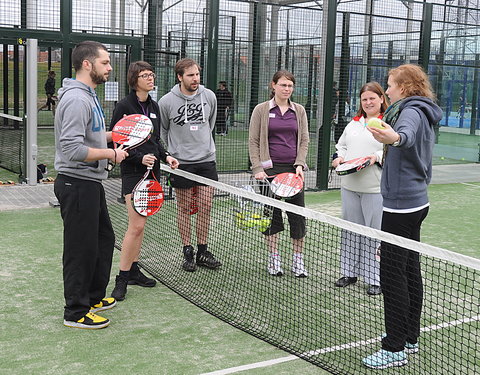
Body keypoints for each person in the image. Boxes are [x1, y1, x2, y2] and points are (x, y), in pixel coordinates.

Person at [362, 64, 442, 369]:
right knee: (409, 270)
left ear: (405, 87)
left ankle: (394, 347)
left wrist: (391, 138)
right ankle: (409, 336)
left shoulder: (409, 111)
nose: (388, 90)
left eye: (391, 85)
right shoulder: (423, 110)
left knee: (391, 276)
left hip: (400, 207)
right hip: (417, 203)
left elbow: (404, 137)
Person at [54, 41, 128, 329]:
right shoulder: (77, 99)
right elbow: (72, 149)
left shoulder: (89, 96)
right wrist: (112, 153)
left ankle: (93, 296)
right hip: (76, 183)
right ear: (88, 64)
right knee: (80, 249)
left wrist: (115, 134)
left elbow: (91, 135)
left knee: (103, 240)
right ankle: (75, 312)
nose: (109, 67)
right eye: (105, 62)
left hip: (90, 182)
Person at [109, 61, 179, 301]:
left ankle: (134, 270)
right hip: (132, 172)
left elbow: (155, 140)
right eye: (145, 75)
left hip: (153, 173)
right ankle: (121, 278)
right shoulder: (124, 106)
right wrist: (140, 158)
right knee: (135, 226)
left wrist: (166, 156)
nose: (150, 78)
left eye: (152, 74)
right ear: (134, 79)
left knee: (141, 226)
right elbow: (115, 142)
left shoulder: (155, 106)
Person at [158, 58, 222, 272]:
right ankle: (188, 251)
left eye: (197, 74)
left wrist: (203, 145)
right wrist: (174, 152)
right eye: (190, 75)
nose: (195, 79)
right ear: (179, 77)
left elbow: (209, 123)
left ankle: (203, 250)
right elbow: (163, 130)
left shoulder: (209, 96)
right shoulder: (166, 102)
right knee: (184, 208)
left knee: (206, 207)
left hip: (206, 161)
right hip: (181, 163)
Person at [248, 70, 310, 277]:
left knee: (297, 216)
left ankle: (297, 261)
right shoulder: (261, 110)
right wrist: (258, 168)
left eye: (290, 86)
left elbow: (304, 140)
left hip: (294, 172)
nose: (286, 89)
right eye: (283, 85)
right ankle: (274, 259)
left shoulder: (299, 110)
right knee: (271, 216)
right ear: (273, 85)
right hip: (268, 172)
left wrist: (300, 165)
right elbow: (254, 141)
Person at [332, 82, 388, 295]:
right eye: (364, 99)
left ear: (381, 99)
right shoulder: (353, 124)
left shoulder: (387, 124)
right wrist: (339, 158)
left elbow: (391, 149)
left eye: (372, 98)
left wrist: (376, 157)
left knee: (373, 234)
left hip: (374, 189)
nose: (368, 102)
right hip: (349, 186)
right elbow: (341, 146)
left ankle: (375, 279)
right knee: (350, 230)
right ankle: (349, 272)